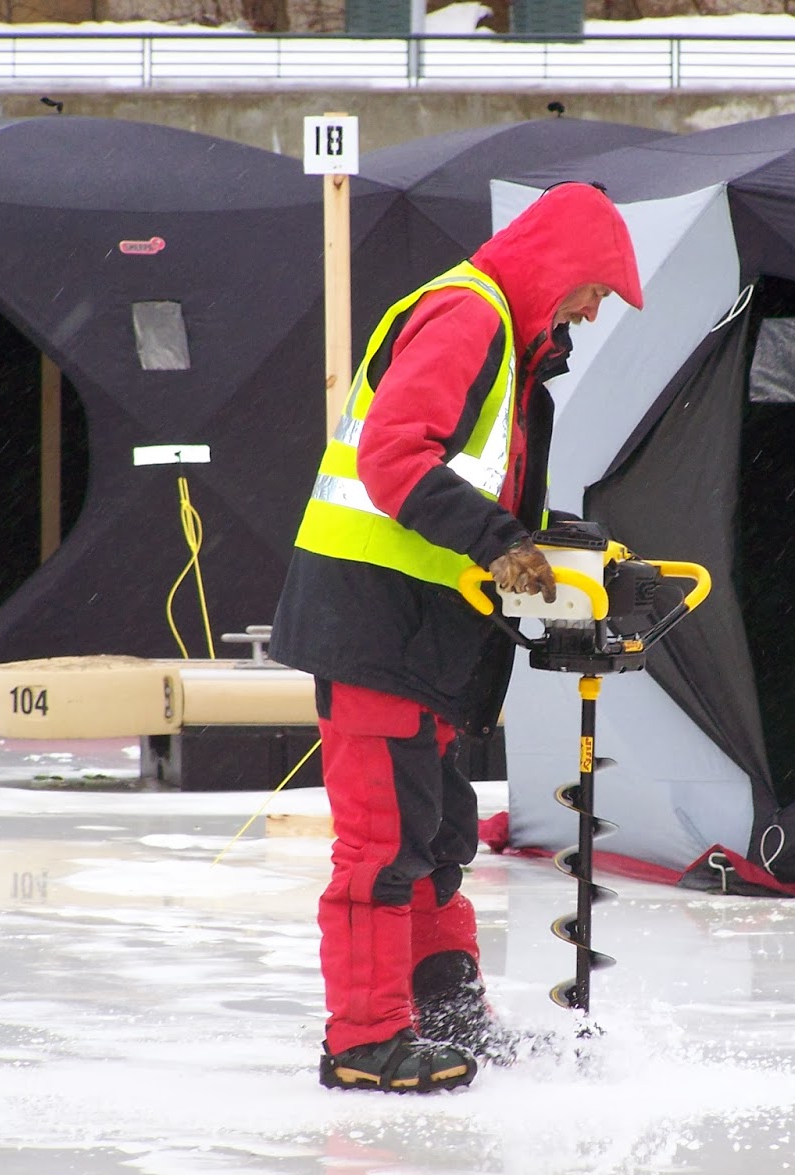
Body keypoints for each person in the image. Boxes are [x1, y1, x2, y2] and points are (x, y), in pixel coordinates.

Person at [270, 182, 643, 1093]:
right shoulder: (465, 318)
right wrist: (501, 544)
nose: (593, 312)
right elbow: (395, 456)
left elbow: (480, 483)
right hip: (376, 626)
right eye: (594, 290)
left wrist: (556, 545)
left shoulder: (510, 349)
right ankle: (364, 1042)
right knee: (381, 845)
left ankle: (443, 1016)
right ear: (555, 268)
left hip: (425, 634)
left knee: (434, 838)